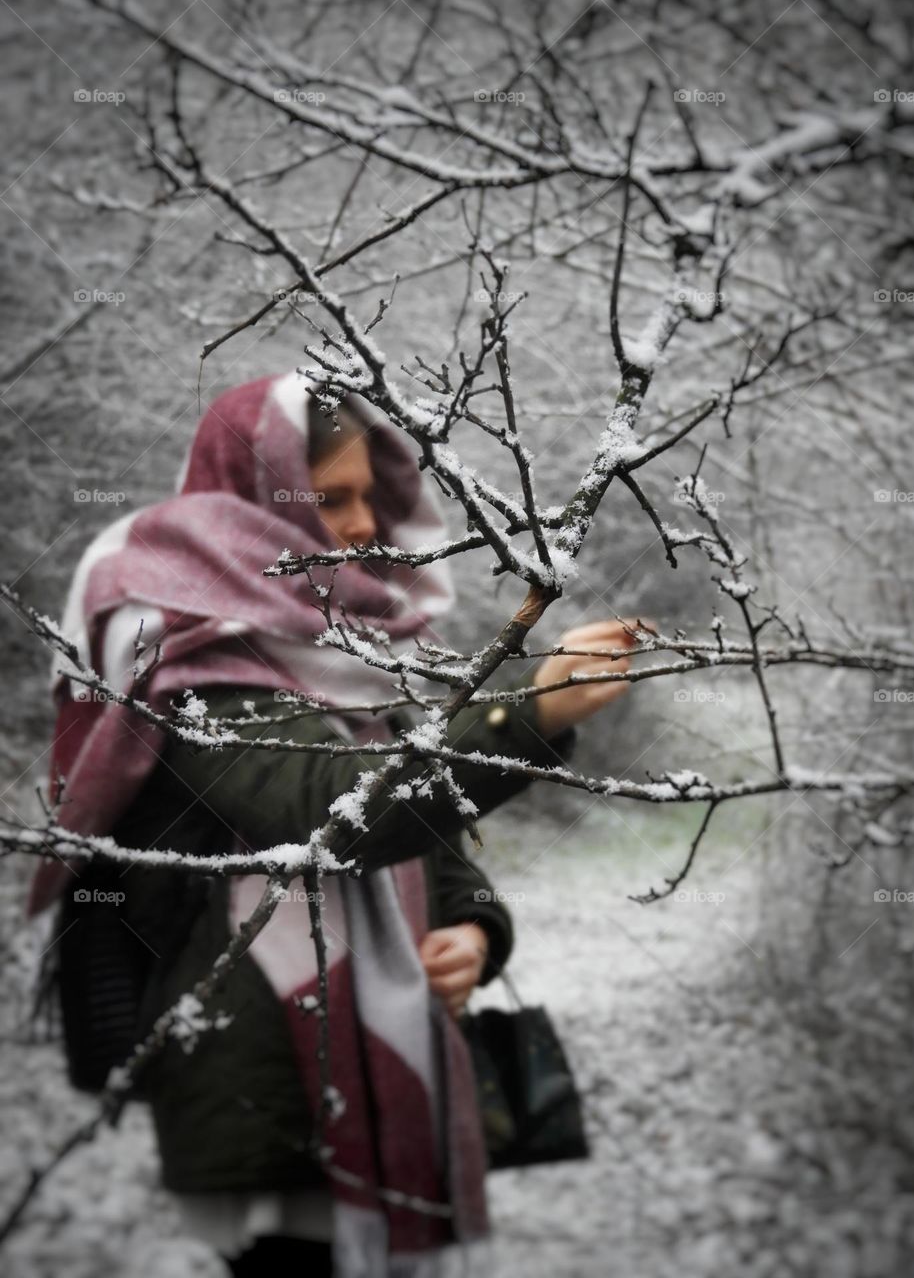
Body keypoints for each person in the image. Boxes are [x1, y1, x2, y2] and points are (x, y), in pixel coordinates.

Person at [27, 370, 639, 1277]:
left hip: (381, 1058)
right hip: (262, 1085)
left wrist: (476, 929)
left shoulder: (346, 643)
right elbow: (326, 809)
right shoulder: (189, 651)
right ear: (252, 498)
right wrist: (528, 710)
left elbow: (423, 829)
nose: (361, 526)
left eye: (367, 497)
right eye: (330, 499)